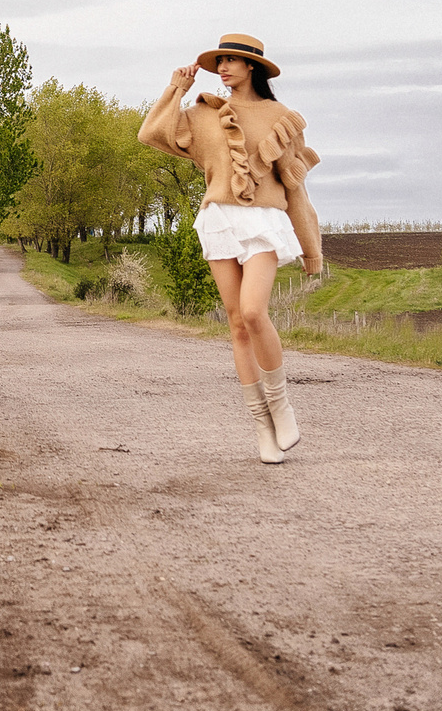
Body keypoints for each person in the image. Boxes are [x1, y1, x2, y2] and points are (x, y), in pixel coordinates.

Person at [137, 33, 323, 464]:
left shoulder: (281, 117)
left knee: (255, 312)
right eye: (219, 61)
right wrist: (176, 88)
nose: (222, 68)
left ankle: (281, 405)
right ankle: (261, 427)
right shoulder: (203, 112)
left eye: (231, 61)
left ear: (252, 67)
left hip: (263, 220)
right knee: (237, 323)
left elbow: (296, 189)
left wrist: (311, 248)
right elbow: (150, 133)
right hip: (219, 219)